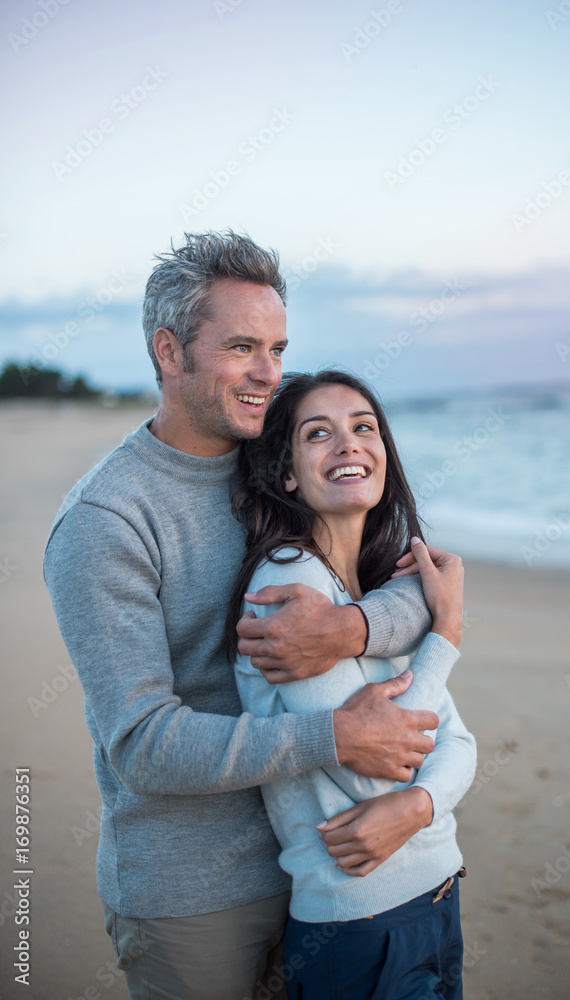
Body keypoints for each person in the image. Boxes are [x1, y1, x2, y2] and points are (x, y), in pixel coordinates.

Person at [43, 231, 465, 1000]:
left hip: (314, 868)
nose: (269, 373)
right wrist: (333, 735)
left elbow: (410, 578)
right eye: (242, 347)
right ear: (168, 351)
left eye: (276, 348)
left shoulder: (271, 463)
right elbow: (142, 745)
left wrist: (349, 630)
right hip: (193, 894)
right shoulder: (106, 522)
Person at [229, 370, 477, 1000]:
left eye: (364, 427)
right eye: (319, 434)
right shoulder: (287, 582)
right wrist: (446, 629)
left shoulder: (377, 589)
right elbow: (382, 771)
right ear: (288, 474)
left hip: (438, 894)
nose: (349, 444)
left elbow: (459, 744)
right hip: (358, 918)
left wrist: (421, 805)